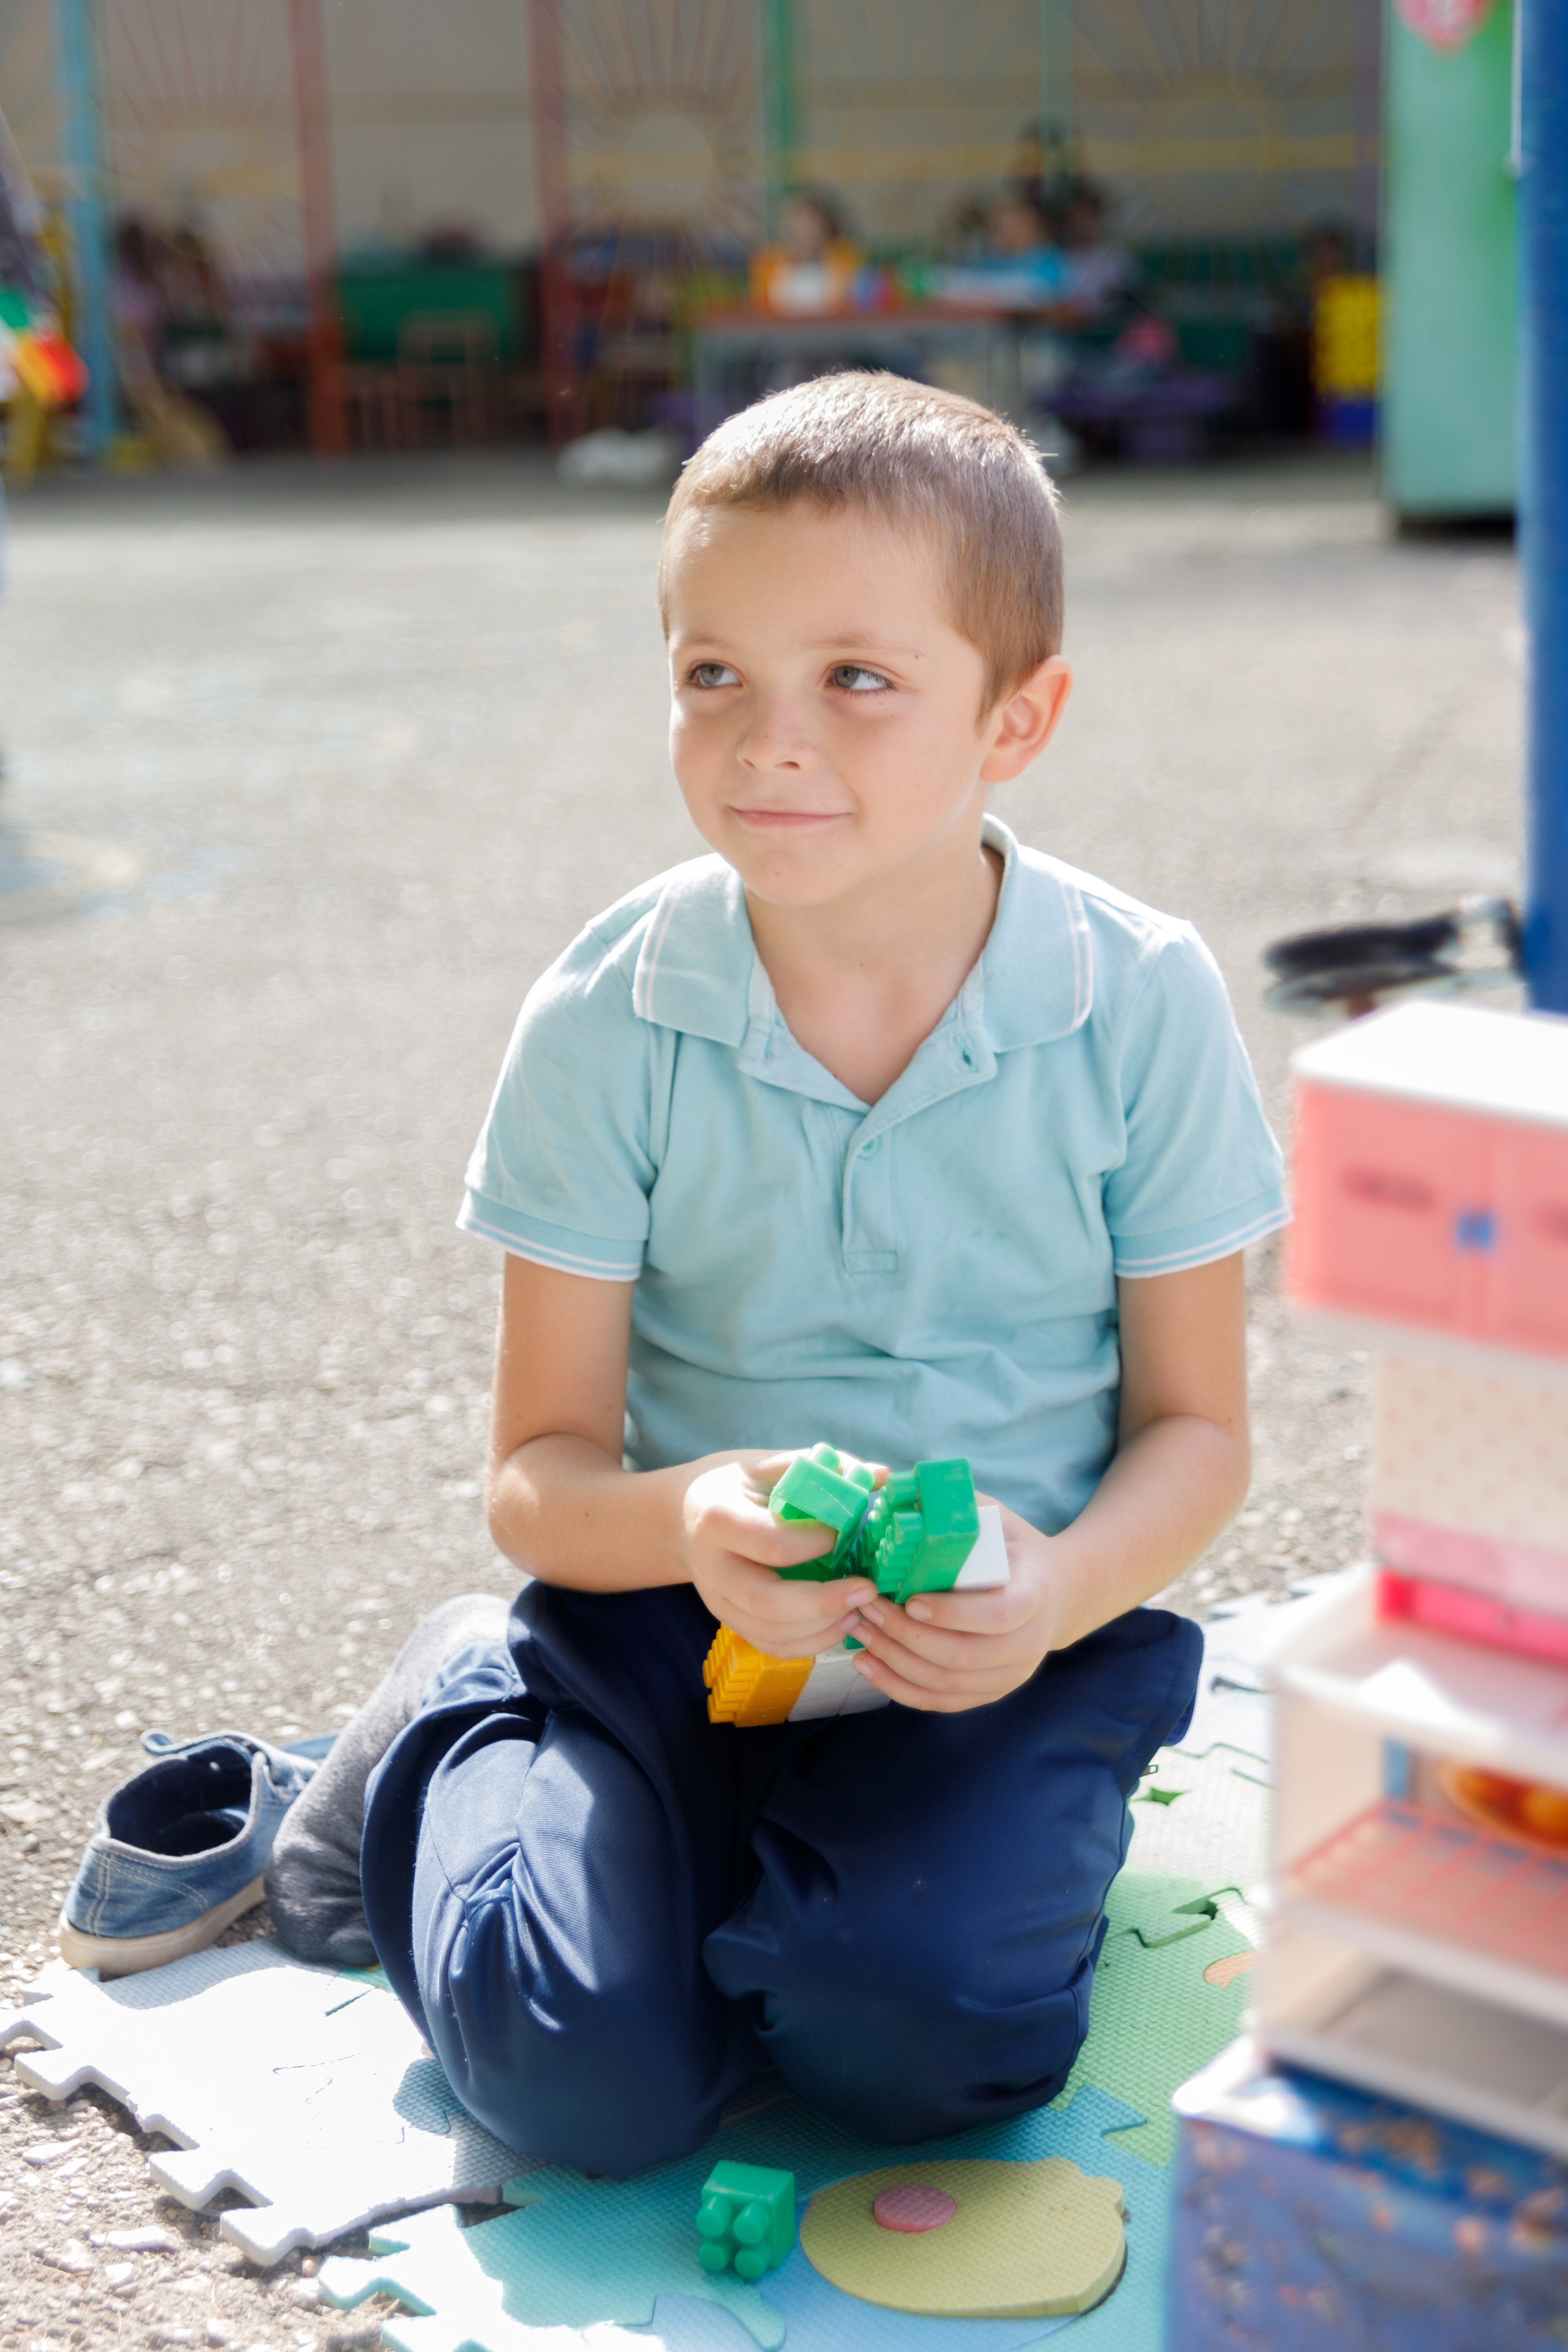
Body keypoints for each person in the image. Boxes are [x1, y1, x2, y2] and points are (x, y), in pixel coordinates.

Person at [262, 372, 1287, 2177]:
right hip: (674, 1618)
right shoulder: (608, 1014)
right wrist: (694, 1516)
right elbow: (542, 1475)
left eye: (858, 679)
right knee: (579, 2090)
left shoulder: (1138, 1000)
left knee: (925, 2052)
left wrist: (1053, 1593)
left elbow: (1198, 1428)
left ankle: (778, 1885)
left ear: (1020, 719)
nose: (766, 741)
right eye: (711, 673)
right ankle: (454, 1721)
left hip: (1010, 1642)